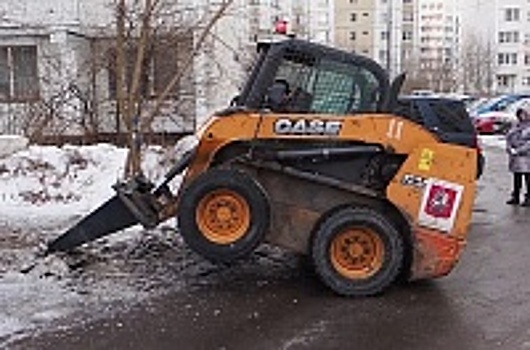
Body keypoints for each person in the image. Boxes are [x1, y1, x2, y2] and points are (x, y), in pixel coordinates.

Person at [505, 104, 530, 206]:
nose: (522, 116)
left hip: (526, 157)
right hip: (515, 157)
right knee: (517, 178)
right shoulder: (515, 125)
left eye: (524, 114)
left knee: (528, 178)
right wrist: (509, 148)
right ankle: (515, 196)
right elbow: (508, 137)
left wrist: (519, 150)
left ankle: (528, 198)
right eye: (521, 114)